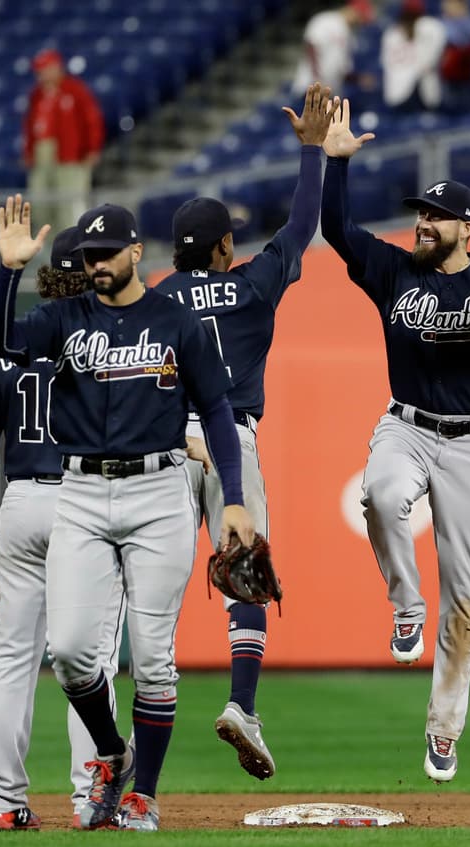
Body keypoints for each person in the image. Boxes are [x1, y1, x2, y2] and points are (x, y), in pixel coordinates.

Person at [0, 197, 257, 831]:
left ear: (136, 252)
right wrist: (9, 272)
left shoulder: (175, 319)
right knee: (71, 652)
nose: (96, 265)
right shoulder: (64, 319)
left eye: (107, 254)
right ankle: (112, 752)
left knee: (153, 658)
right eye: (88, 257)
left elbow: (216, 410)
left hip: (159, 494)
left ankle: (143, 795)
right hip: (80, 493)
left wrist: (234, 498)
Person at [319, 99, 470, 784]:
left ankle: (444, 729)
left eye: (436, 215)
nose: (423, 222)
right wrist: (335, 163)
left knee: (469, 600)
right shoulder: (396, 272)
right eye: (420, 213)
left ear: (467, 229)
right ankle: (403, 604)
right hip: (406, 424)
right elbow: (336, 230)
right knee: (381, 494)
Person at [152, 83, 333, 781]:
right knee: (246, 576)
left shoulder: (159, 295)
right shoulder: (254, 283)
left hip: (167, 444)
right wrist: (312, 152)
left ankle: (129, 729)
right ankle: (242, 706)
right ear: (227, 246)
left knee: (154, 589)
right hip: (234, 438)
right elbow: (303, 225)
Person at [0, 226, 126, 830]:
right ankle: (90, 798)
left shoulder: (15, 336)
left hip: (24, 502)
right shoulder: (106, 334)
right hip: (84, 502)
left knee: (12, 658)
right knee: (90, 660)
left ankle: (2, 799)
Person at [22, 49, 105, 232]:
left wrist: (92, 149)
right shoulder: (36, 95)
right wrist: (29, 152)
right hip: (42, 154)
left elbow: (92, 120)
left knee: (70, 204)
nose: (42, 74)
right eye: (40, 70)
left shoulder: (75, 90)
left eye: (45, 69)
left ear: (56, 68)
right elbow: (30, 126)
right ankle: (49, 252)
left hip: (70, 155)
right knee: (41, 204)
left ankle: (74, 250)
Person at [291, 0, 376, 96]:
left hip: (329, 93)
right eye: (360, 17)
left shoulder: (350, 36)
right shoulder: (326, 20)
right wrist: (317, 80)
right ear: (353, 10)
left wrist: (358, 79)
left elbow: (342, 70)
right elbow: (311, 46)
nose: (360, 22)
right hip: (310, 90)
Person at [380, 1, 448, 112]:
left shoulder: (391, 32)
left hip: (397, 89)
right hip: (418, 88)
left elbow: (385, 62)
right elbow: (433, 58)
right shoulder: (429, 25)